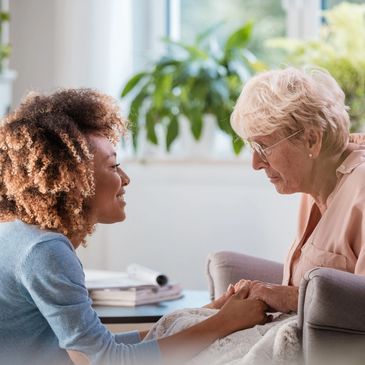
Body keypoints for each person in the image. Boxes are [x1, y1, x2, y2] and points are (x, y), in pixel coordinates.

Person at [0, 89, 269, 365]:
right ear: (73, 182)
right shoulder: (45, 251)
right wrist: (222, 324)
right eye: (113, 166)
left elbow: (100, 348)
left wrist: (205, 316)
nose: (125, 179)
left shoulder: (26, 235)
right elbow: (106, 360)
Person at [229, 66, 365, 313]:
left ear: (312, 140)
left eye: (263, 147)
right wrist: (263, 293)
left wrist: (291, 298)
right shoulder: (312, 185)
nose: (255, 164)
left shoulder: (362, 189)